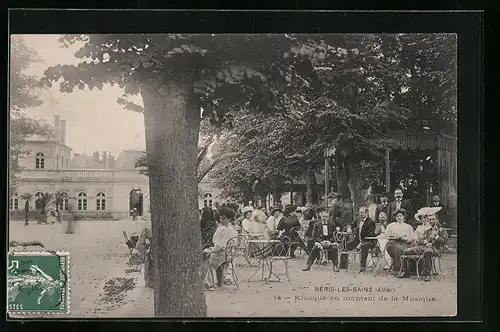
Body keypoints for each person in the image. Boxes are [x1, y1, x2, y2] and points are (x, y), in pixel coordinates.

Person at [398, 210, 449, 281]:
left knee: (427, 252)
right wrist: (426, 241)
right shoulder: (427, 231)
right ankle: (406, 271)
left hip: (435, 249)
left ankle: (426, 274)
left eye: (433, 219)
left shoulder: (442, 230)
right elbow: (420, 241)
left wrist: (436, 236)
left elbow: (444, 242)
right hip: (423, 247)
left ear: (437, 220)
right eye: (430, 219)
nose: (431, 221)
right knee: (406, 251)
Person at [203, 207, 239, 291]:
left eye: (224, 219)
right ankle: (219, 282)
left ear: (229, 219)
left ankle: (209, 284)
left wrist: (211, 250)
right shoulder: (233, 229)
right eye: (221, 218)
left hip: (223, 254)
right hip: (230, 253)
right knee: (212, 254)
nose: (221, 220)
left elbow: (220, 245)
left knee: (208, 260)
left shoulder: (224, 229)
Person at [346, 206, 377, 273]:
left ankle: (362, 267)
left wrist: (361, 243)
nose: (360, 214)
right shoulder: (358, 220)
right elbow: (351, 224)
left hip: (370, 241)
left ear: (367, 213)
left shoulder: (371, 222)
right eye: (359, 213)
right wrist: (349, 228)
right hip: (358, 240)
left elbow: (370, 235)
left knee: (364, 246)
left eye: (362, 213)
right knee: (346, 244)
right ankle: (343, 265)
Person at [384, 209, 414, 274]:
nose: (399, 217)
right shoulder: (391, 226)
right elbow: (386, 236)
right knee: (397, 249)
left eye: (400, 216)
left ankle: (404, 269)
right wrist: (393, 236)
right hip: (393, 242)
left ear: (403, 217)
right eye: (397, 216)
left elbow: (411, 237)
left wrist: (405, 238)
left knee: (404, 249)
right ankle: (398, 268)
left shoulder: (408, 226)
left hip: (404, 243)